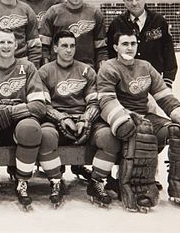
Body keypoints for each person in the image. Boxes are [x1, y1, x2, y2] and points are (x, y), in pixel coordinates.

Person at [98, 29, 180, 211]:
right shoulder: (109, 67)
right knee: (143, 133)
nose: (129, 48)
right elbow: (106, 100)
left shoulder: (146, 66)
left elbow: (164, 97)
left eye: (133, 44)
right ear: (115, 47)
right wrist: (124, 119)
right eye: (125, 44)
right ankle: (140, 189)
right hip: (124, 116)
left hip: (146, 116)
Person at [38, 30, 120, 207]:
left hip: (83, 118)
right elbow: (43, 105)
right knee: (45, 136)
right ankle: (55, 181)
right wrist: (61, 118)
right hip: (56, 118)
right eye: (64, 46)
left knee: (108, 137)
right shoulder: (44, 72)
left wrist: (86, 119)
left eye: (72, 46)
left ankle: (96, 182)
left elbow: (94, 102)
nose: (69, 50)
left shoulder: (86, 71)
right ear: (55, 48)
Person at [0, 29, 46, 211]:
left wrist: (13, 110)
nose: (6, 46)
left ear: (16, 45)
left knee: (31, 129)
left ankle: (22, 181)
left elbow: (39, 105)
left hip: (19, 119)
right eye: (2, 42)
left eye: (9, 42)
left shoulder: (27, 67)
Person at [106, 0, 177, 88]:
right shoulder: (117, 24)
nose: (134, 3)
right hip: (126, 83)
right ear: (124, 1)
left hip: (155, 81)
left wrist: (168, 81)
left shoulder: (158, 21)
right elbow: (110, 54)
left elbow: (168, 52)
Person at [40, 0, 107, 69]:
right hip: (58, 69)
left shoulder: (95, 13)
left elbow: (101, 49)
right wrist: (47, 69)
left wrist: (101, 70)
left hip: (87, 69)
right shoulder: (53, 12)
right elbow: (44, 47)